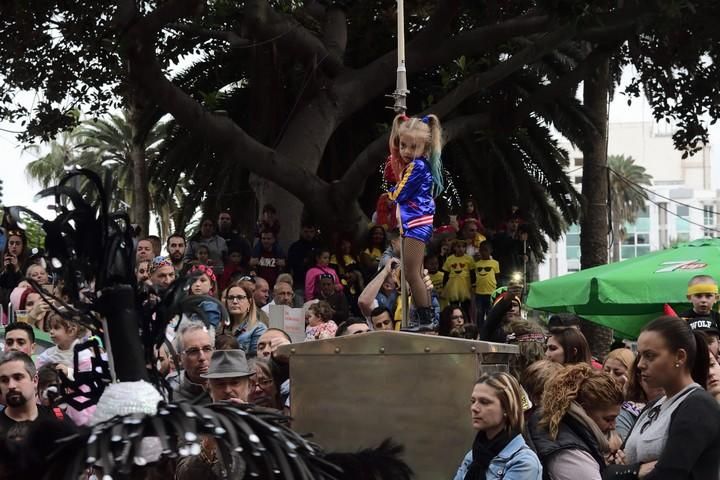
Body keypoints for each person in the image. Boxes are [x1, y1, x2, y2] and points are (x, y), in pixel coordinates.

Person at [619, 315, 720, 479]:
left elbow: (668, 474)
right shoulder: (652, 406)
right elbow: (608, 467)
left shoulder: (699, 406)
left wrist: (626, 471)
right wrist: (637, 471)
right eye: (640, 355)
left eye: (650, 356)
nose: (640, 364)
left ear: (680, 357)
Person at [385, 114, 444, 328]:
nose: (407, 151)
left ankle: (426, 317)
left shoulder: (417, 167)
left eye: (413, 147)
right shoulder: (416, 165)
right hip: (416, 222)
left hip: (417, 223)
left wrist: (389, 194)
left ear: (425, 148)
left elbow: (400, 194)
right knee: (416, 272)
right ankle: (425, 315)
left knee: (411, 273)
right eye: (403, 145)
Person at [529, 364, 624, 479]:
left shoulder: (559, 426)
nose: (613, 426)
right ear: (584, 410)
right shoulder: (572, 455)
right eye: (608, 419)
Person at [453, 372, 542, 480]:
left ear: (506, 408)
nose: (474, 408)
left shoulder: (523, 462)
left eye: (484, 402)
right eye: (473, 401)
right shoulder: (473, 455)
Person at [0, 351, 75, 441]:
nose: (11, 385)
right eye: (4, 380)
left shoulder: (57, 415)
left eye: (18, 377)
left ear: (35, 380)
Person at [616, 353, 665, 442]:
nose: (660, 382)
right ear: (639, 379)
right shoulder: (627, 412)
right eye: (651, 377)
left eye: (664, 375)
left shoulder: (682, 405)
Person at [169, 321, 214, 404]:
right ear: (179, 359)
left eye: (207, 349)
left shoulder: (229, 387)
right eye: (193, 351)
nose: (202, 357)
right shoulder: (172, 398)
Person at [220, 284, 267, 357]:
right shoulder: (220, 328)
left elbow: (256, 360)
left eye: (240, 297)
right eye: (231, 298)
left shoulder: (259, 329)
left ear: (249, 302)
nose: (235, 301)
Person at [442, 239, 475, 314]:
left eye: (463, 247)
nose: (461, 249)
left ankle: (467, 322)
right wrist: (444, 285)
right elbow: (446, 273)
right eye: (458, 247)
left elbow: (472, 272)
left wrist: (473, 284)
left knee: (466, 307)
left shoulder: (469, 258)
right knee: (453, 306)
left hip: (465, 285)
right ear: (454, 248)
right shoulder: (450, 259)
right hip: (453, 285)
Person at [287, 221, 319, 294]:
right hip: (299, 282)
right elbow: (289, 265)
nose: (309, 234)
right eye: (306, 231)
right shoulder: (295, 247)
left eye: (311, 232)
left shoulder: (318, 246)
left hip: (316, 282)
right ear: (301, 231)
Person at [474, 241, 500, 328]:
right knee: (479, 313)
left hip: (491, 292)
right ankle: (480, 331)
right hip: (479, 293)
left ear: (490, 251)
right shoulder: (476, 264)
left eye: (485, 250)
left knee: (490, 313)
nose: (483, 252)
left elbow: (497, 277)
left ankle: (490, 330)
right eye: (481, 250)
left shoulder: (495, 263)